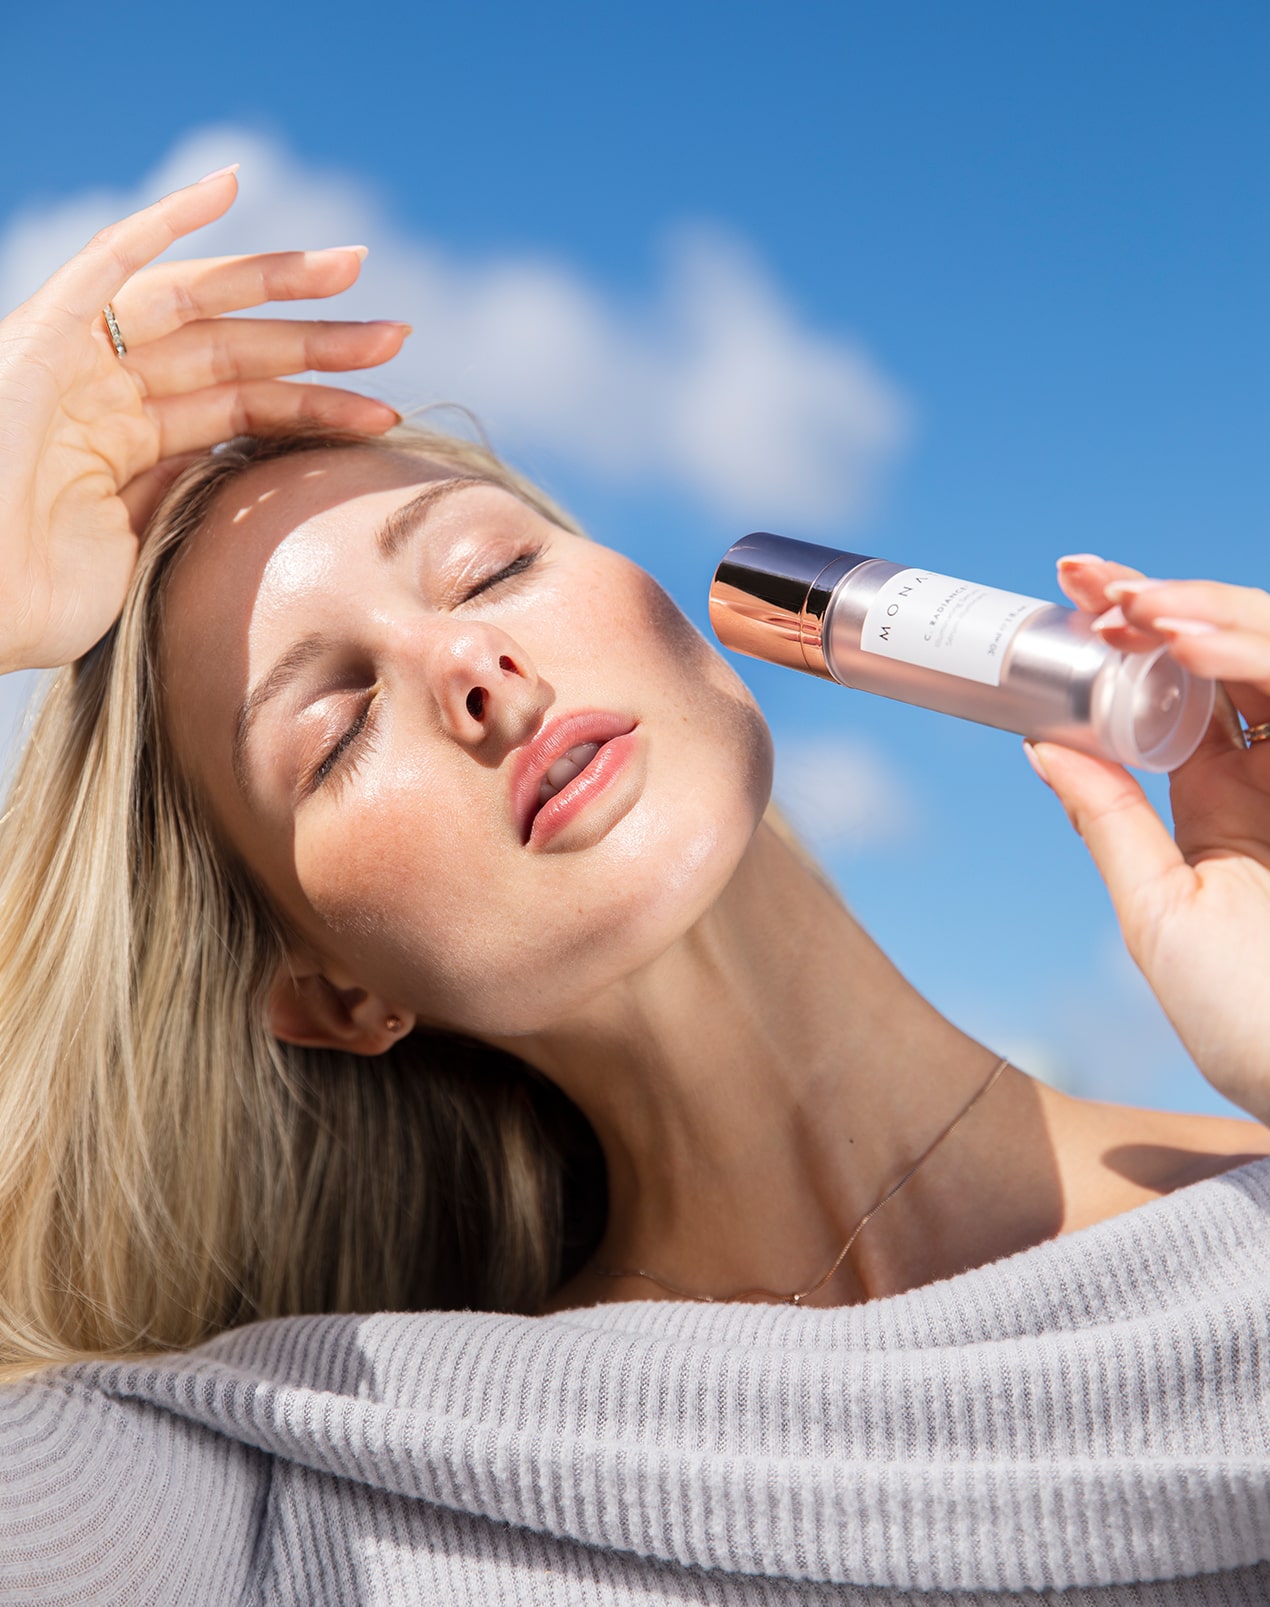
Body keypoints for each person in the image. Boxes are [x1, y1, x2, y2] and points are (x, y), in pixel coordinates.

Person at [1, 170, 1269, 1604]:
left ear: (690, 626)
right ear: (329, 991)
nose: (466, 671)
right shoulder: (295, 1493)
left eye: (489, 570)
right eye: (336, 727)